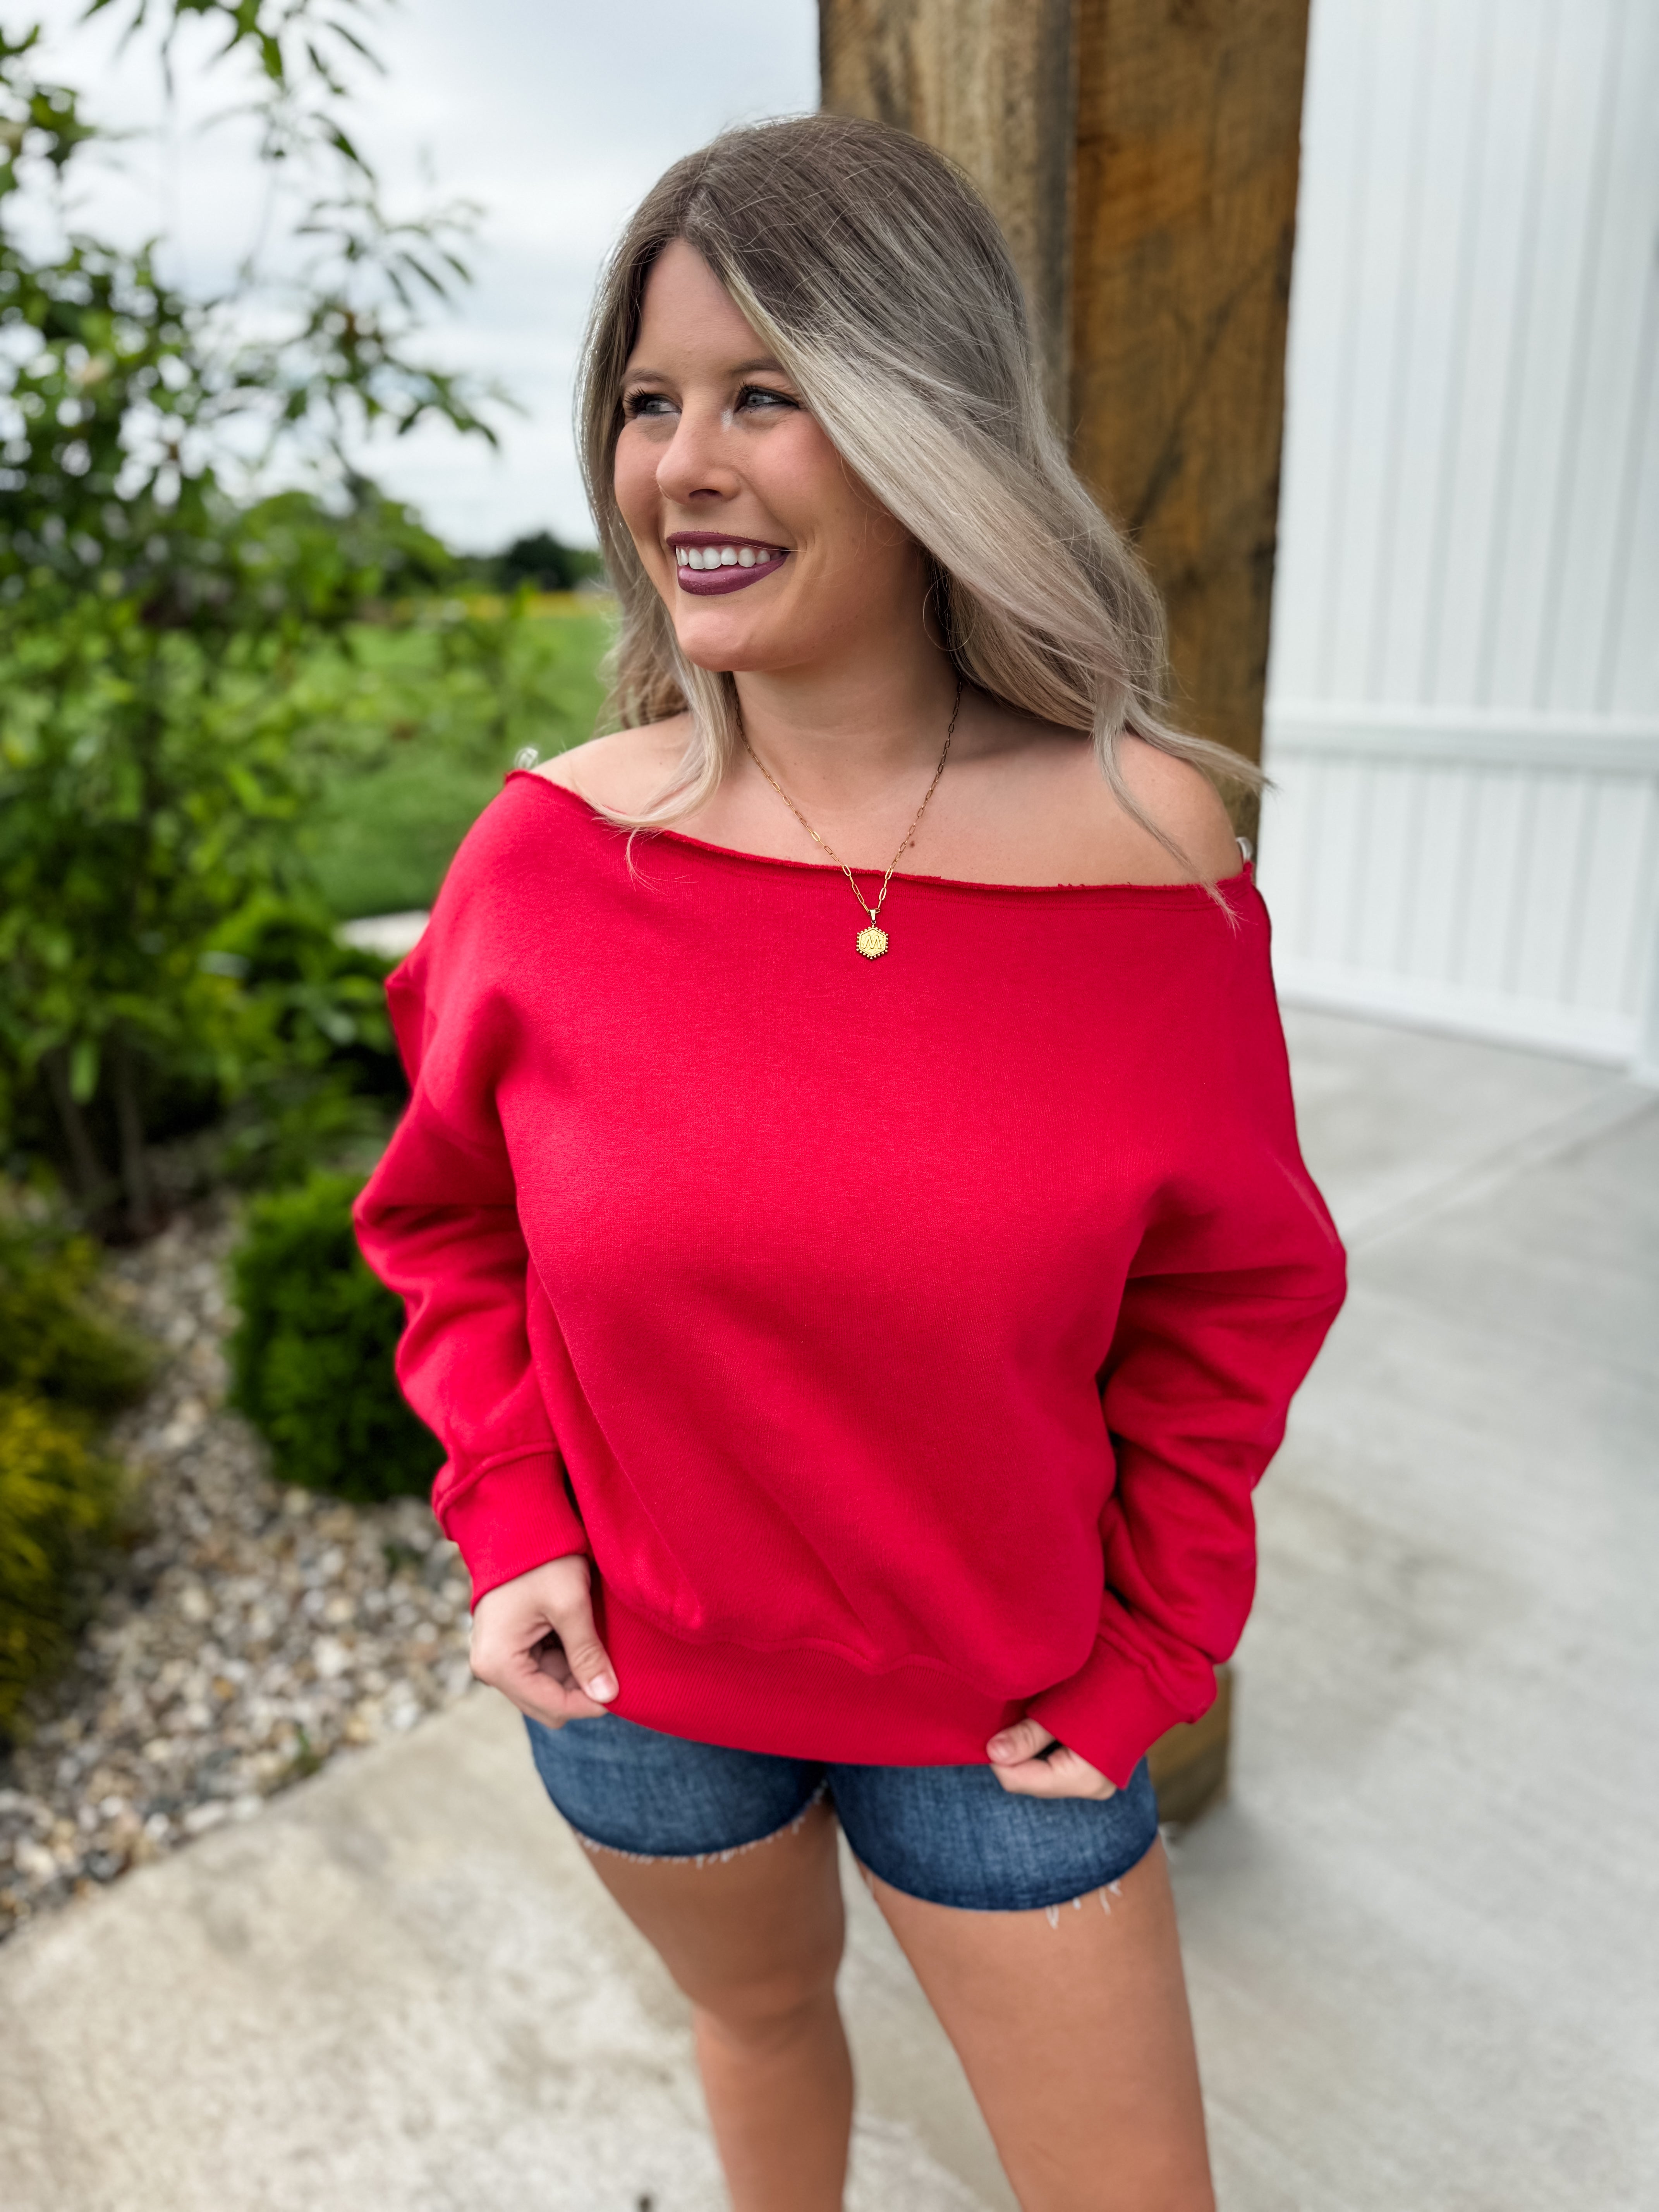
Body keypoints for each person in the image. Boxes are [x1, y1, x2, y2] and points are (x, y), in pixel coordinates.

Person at [355, 113, 1346, 2212]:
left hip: (1010, 1701)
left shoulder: (1148, 847)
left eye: (765, 395)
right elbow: (445, 1220)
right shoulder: (547, 856)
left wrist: (1159, 1642)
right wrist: (511, 1514)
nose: (681, 469)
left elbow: (1237, 1293)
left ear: (926, 425)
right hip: (641, 1683)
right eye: (649, 403)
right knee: (760, 2025)